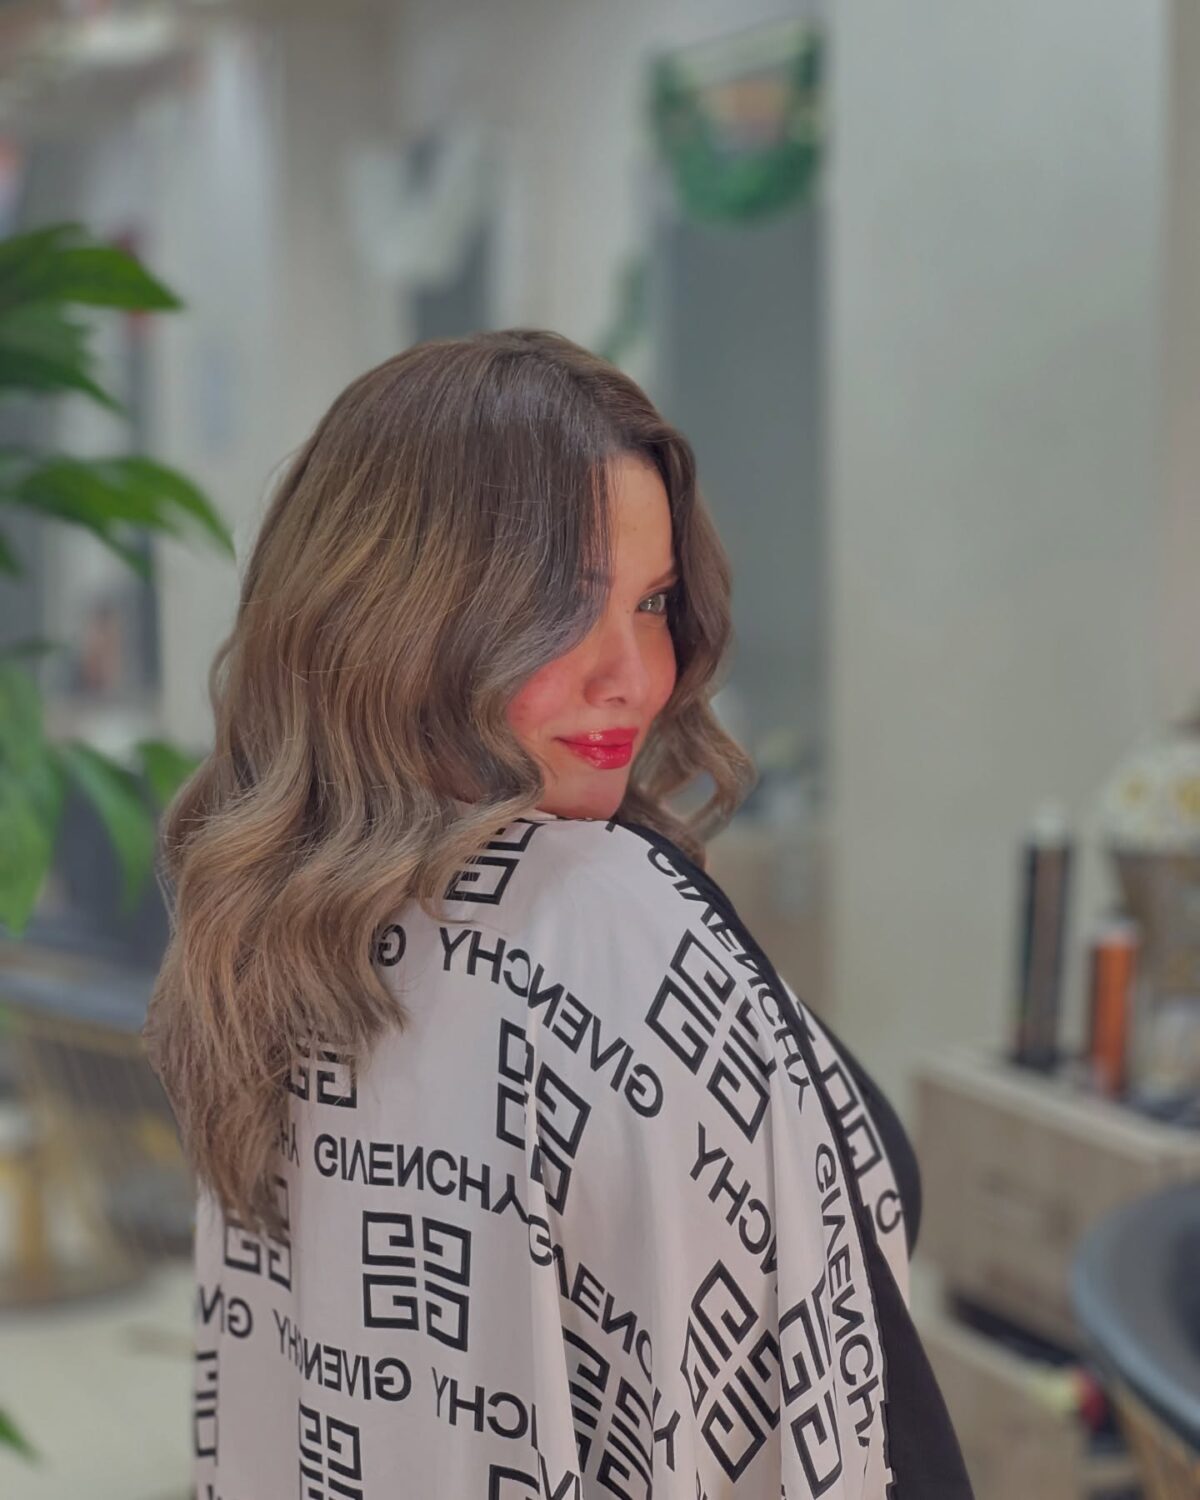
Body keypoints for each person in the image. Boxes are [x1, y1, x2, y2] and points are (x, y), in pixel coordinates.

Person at [143, 329, 973, 1499]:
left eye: (655, 603)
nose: (634, 676)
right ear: (394, 614)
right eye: (563, 605)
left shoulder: (270, 931)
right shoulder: (604, 917)